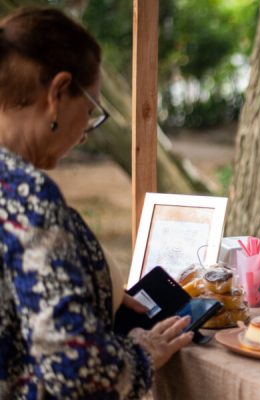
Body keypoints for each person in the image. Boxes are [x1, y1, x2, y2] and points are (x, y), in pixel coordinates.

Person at [0, 8, 193, 398]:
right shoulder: (26, 194)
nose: (85, 134)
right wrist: (141, 353)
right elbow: (77, 370)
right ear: (57, 93)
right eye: (90, 112)